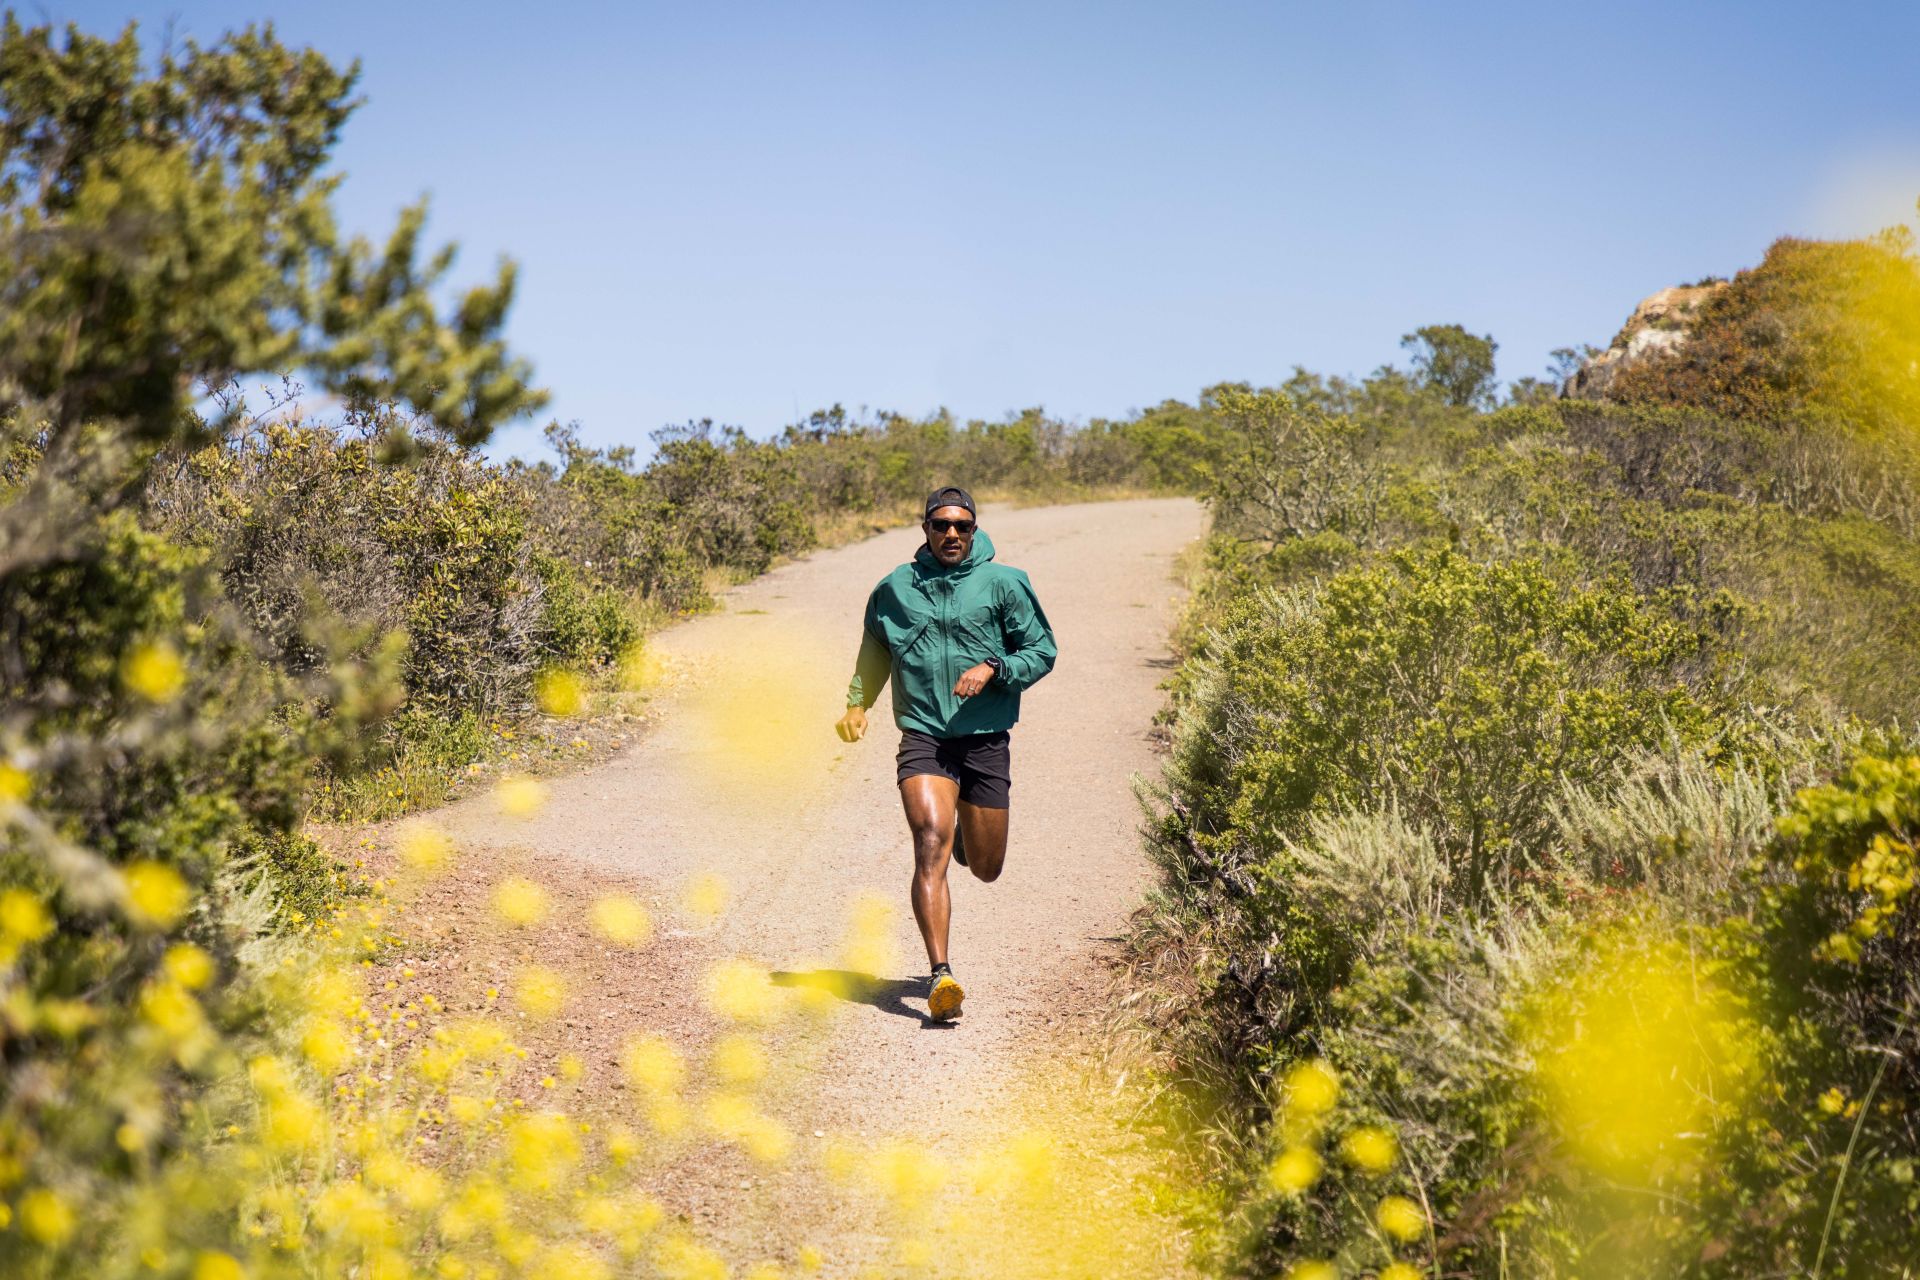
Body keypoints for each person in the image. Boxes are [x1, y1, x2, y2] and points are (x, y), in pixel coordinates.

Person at [834, 487, 1058, 1021]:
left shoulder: (1004, 583)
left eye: (962, 525)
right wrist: (857, 703)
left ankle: (968, 842)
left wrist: (995, 668)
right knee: (930, 839)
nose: (951, 534)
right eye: (941, 525)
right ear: (926, 530)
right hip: (924, 736)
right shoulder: (895, 588)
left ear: (974, 530)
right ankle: (941, 975)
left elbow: (1041, 650)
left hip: (984, 737)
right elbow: (876, 648)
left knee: (986, 867)